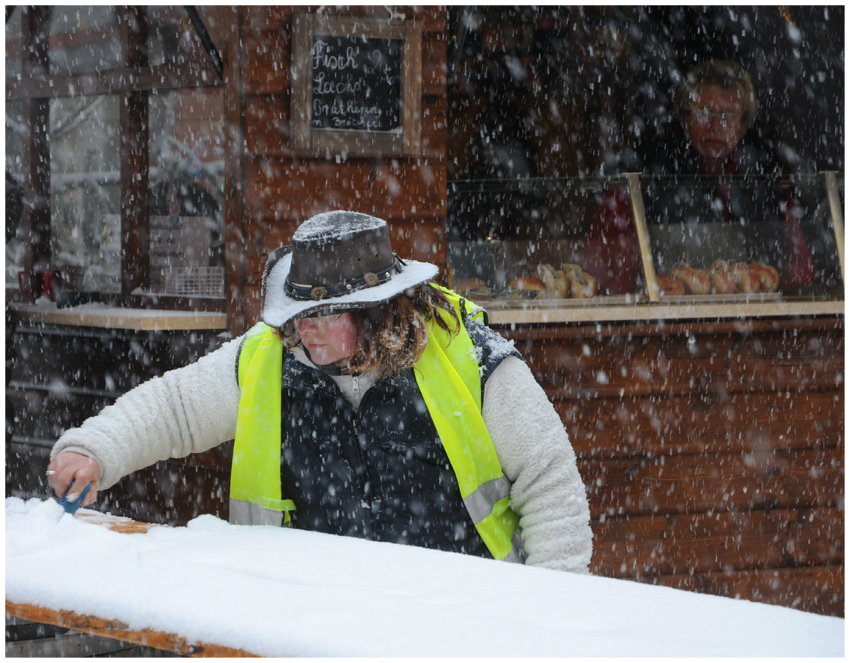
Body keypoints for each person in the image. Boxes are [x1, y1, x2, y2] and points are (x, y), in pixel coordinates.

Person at [47, 211, 593, 572]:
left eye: (322, 315)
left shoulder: (470, 357)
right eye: (297, 314)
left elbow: (552, 488)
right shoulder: (269, 357)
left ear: (377, 309)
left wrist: (550, 619)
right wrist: (94, 449)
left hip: (461, 624)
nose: (302, 331)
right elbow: (177, 408)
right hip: (319, 621)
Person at [584, 59, 814, 295]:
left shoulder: (766, 179)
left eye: (728, 115)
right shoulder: (646, 175)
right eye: (703, 112)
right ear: (685, 118)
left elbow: (798, 272)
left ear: (743, 125)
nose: (715, 125)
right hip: (667, 321)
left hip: (754, 321)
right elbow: (612, 279)